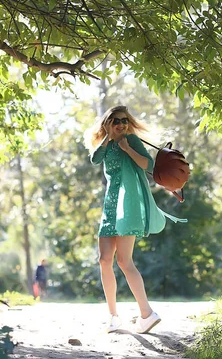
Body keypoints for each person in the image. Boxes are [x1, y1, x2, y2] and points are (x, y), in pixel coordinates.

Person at [84, 105, 186, 334]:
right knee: (104, 260)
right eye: (116, 121)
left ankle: (147, 314)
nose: (121, 124)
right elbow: (94, 159)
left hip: (128, 206)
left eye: (124, 121)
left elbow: (148, 165)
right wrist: (109, 139)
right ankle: (112, 316)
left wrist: (128, 148)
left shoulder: (131, 140)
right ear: (108, 123)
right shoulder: (106, 144)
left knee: (124, 261)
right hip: (110, 205)